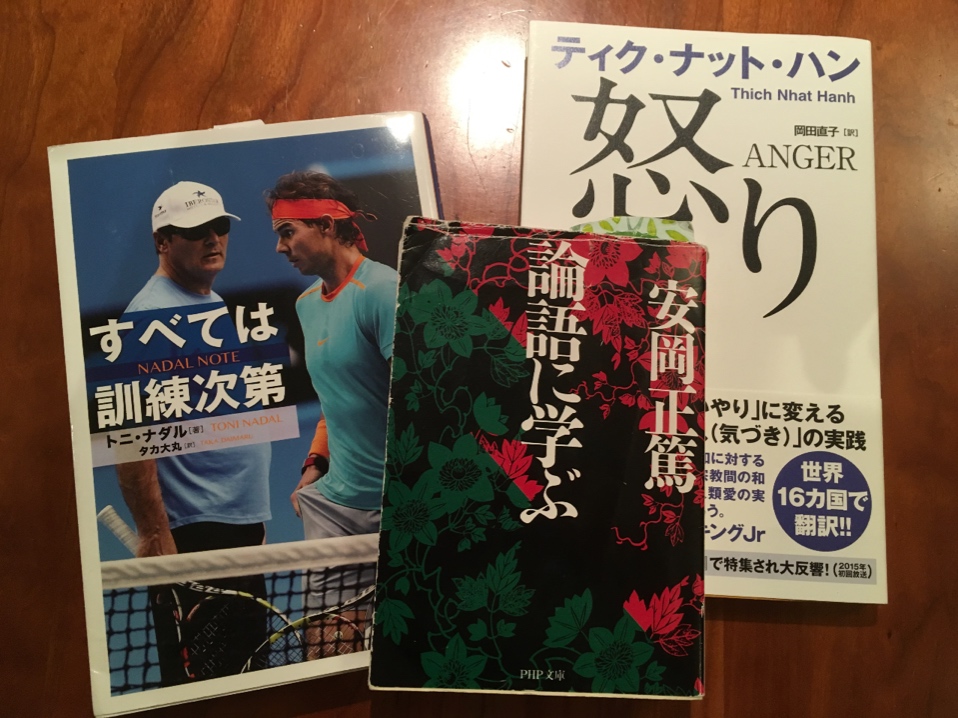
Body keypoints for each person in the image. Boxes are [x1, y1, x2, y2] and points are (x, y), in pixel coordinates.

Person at [117, 180, 271, 682]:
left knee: (250, 679)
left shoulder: (211, 303)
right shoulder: (150, 317)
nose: (213, 238)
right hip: (195, 532)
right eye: (195, 230)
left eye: (219, 226)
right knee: (210, 691)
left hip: (235, 523)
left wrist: (251, 518)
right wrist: (154, 532)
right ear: (162, 242)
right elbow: (130, 436)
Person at [266, 171, 395, 656]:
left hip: (397, 510)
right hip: (336, 511)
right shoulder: (306, 305)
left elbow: (415, 400)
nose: (280, 247)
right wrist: (315, 463)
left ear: (324, 225)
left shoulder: (382, 290)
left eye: (287, 232)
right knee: (324, 655)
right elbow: (335, 397)